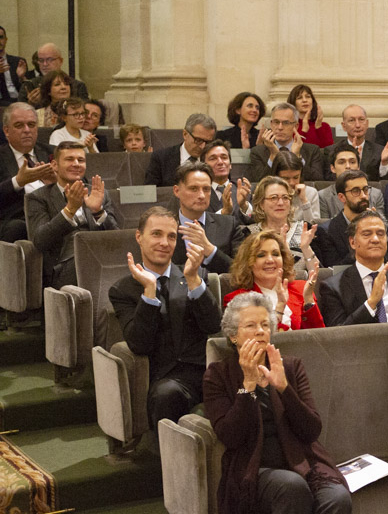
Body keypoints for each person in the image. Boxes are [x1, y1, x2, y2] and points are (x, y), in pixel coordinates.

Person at [202, 292, 351, 514]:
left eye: (265, 325)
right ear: (233, 336)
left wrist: (284, 388)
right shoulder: (218, 375)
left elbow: (311, 429)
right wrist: (248, 385)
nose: (260, 331)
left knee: (338, 499)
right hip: (253, 468)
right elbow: (230, 435)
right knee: (291, 487)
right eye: (251, 325)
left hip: (303, 461)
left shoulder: (290, 367)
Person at [109, 206, 221, 439]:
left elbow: (213, 325)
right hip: (164, 377)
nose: (165, 242)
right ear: (139, 237)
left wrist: (193, 279)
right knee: (166, 394)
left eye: (171, 236)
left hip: (204, 372)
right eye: (156, 234)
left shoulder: (191, 274)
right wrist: (149, 292)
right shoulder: (123, 289)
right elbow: (139, 344)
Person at [26, 141, 120, 288]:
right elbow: (39, 241)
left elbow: (116, 237)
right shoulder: (39, 197)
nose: (76, 164)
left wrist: (98, 211)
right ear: (55, 165)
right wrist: (69, 210)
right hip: (63, 266)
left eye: (81, 160)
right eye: (69, 159)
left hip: (102, 257)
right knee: (87, 261)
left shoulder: (98, 193)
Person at [317, 210, 388, 326]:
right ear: (353, 242)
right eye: (367, 234)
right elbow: (337, 335)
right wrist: (371, 303)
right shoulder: (333, 287)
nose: (376, 239)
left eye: (381, 234)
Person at [223, 230, 324, 331]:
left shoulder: (302, 288)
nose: (270, 260)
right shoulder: (237, 300)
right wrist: (280, 307)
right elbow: (257, 338)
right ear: (248, 262)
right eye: (261, 255)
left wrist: (308, 300)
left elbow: (318, 338)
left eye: (275, 254)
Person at [170, 161, 246, 274]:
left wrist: (210, 250)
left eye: (206, 189)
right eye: (194, 189)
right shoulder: (164, 227)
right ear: (177, 191)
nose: (201, 195)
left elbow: (242, 271)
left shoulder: (229, 225)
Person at [0, 102, 55, 241]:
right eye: (19, 125)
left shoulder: (53, 152)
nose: (26, 130)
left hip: (53, 212)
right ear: (6, 131)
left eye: (31, 125)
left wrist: (57, 182)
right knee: (17, 228)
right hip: (15, 219)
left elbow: (82, 182)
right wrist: (17, 182)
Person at [246, 176, 316, 267]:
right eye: (273, 198)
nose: (280, 203)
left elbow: (321, 274)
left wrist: (306, 249)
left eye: (285, 197)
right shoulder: (249, 234)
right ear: (261, 204)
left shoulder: (306, 231)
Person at [248, 103, 326, 182]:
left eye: (286, 123)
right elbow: (258, 183)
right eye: (276, 122)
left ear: (296, 126)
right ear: (271, 124)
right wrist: (273, 156)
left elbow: (317, 181)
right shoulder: (257, 152)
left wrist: (297, 156)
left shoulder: (312, 150)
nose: (280, 127)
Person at [312, 169, 371, 268]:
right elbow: (334, 271)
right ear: (342, 197)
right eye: (356, 191)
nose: (363, 196)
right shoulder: (326, 231)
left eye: (365, 189)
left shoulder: (378, 227)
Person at [145, 113, 217, 187]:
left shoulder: (214, 160)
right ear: (185, 134)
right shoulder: (161, 158)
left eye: (208, 142)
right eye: (198, 140)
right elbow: (150, 193)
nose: (202, 146)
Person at [318, 142, 385, 218]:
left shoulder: (375, 194)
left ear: (358, 166)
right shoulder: (323, 196)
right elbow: (325, 227)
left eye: (352, 162)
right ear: (332, 168)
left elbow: (384, 225)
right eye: (341, 162)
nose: (348, 166)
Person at [18, 43, 88, 106]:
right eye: (41, 60)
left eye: (50, 60)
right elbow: (20, 113)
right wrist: (31, 104)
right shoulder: (30, 85)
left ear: (60, 61)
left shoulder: (78, 86)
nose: (45, 64)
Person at [200, 140, 252, 224]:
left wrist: (244, 206)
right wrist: (223, 212)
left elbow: (255, 221)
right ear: (204, 166)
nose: (220, 162)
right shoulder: (198, 193)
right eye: (213, 158)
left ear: (230, 164)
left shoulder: (245, 190)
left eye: (224, 157)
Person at [340, 104, 388, 181]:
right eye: (352, 120)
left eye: (361, 119)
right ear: (344, 126)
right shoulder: (332, 151)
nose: (358, 125)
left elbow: (385, 184)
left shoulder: (379, 151)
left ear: (367, 123)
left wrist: (384, 163)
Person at [272, 150, 320, 221]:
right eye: (286, 178)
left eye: (296, 177)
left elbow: (314, 226)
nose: (292, 183)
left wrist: (304, 201)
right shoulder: (268, 194)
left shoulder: (311, 193)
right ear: (276, 177)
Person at [288, 84, 333, 148]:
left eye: (308, 96)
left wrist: (318, 128)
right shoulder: (290, 127)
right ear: (293, 103)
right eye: (299, 98)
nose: (304, 100)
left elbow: (329, 151)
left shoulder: (325, 127)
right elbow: (292, 150)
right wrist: (304, 131)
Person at [0, 25, 26, 106]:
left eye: (1, 37)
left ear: (6, 40)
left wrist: (21, 78)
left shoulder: (18, 62)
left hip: (18, 101)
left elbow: (26, 90)